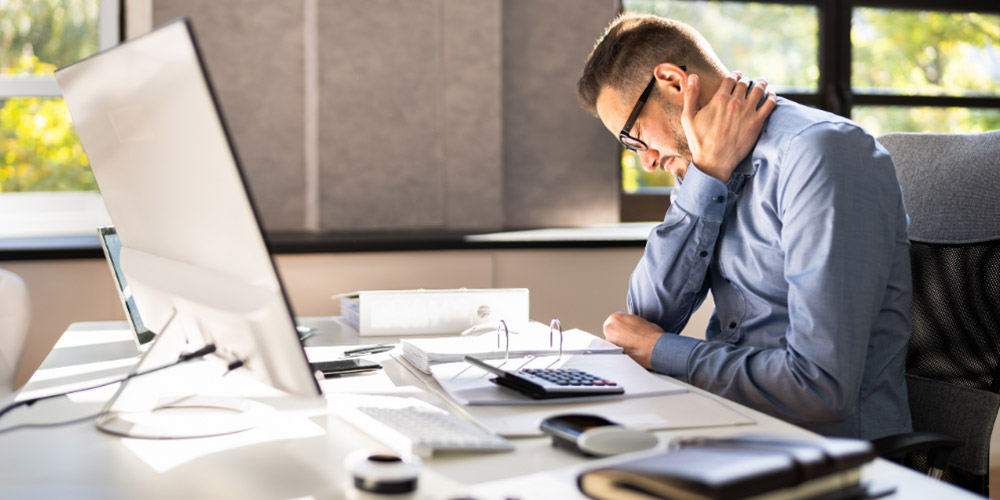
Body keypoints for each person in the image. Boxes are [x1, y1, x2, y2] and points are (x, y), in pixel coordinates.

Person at [577, 13, 912, 440]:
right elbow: (645, 316)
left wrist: (663, 351)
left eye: (635, 136)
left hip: (819, 448)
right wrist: (706, 175)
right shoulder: (701, 166)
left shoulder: (821, 154)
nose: (645, 160)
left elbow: (820, 386)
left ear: (673, 82)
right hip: (730, 420)